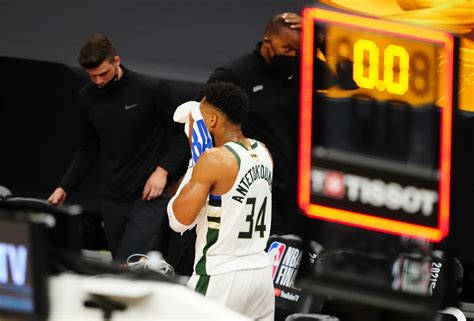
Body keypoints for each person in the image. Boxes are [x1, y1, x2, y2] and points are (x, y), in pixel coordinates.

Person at [48, 34, 189, 261]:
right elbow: (88, 148)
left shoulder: (149, 90)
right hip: (113, 199)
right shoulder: (87, 98)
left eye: (103, 73)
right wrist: (65, 187)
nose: (98, 81)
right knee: (119, 267)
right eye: (92, 76)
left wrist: (163, 171)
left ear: (116, 60)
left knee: (129, 264)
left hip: (149, 197)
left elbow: (183, 133)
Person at [205, 13, 335, 235]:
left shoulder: (302, 68)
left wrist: (321, 40)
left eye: (298, 49)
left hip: (296, 184)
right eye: (287, 49)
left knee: (293, 249)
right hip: (255, 183)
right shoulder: (236, 74)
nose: (293, 55)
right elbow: (204, 118)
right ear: (268, 41)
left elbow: (347, 82)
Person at [168, 82, 275, 320]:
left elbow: (178, 221)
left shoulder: (214, 160)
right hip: (260, 272)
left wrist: (195, 160)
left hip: (221, 274)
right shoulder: (264, 152)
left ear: (213, 121)